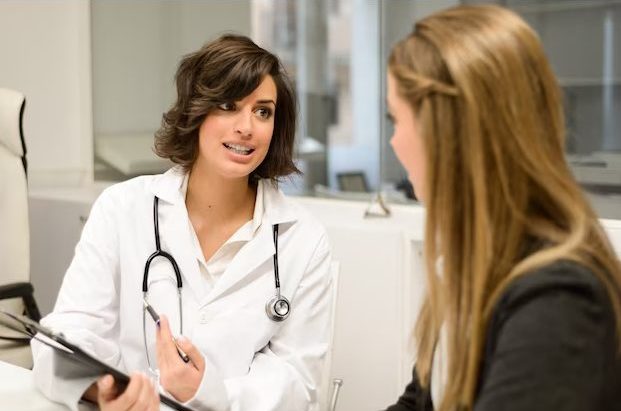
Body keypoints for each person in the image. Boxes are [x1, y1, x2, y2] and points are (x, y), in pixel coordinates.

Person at [32, 34, 333, 411]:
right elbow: (62, 338)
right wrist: (101, 389)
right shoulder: (122, 209)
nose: (247, 127)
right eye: (228, 105)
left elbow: (298, 383)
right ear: (196, 110)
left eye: (263, 111)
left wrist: (208, 393)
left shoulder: (301, 239)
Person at [383, 4, 621, 411]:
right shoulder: (479, 261)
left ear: (445, 134)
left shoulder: (559, 298)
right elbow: (419, 403)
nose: (393, 142)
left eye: (396, 120)